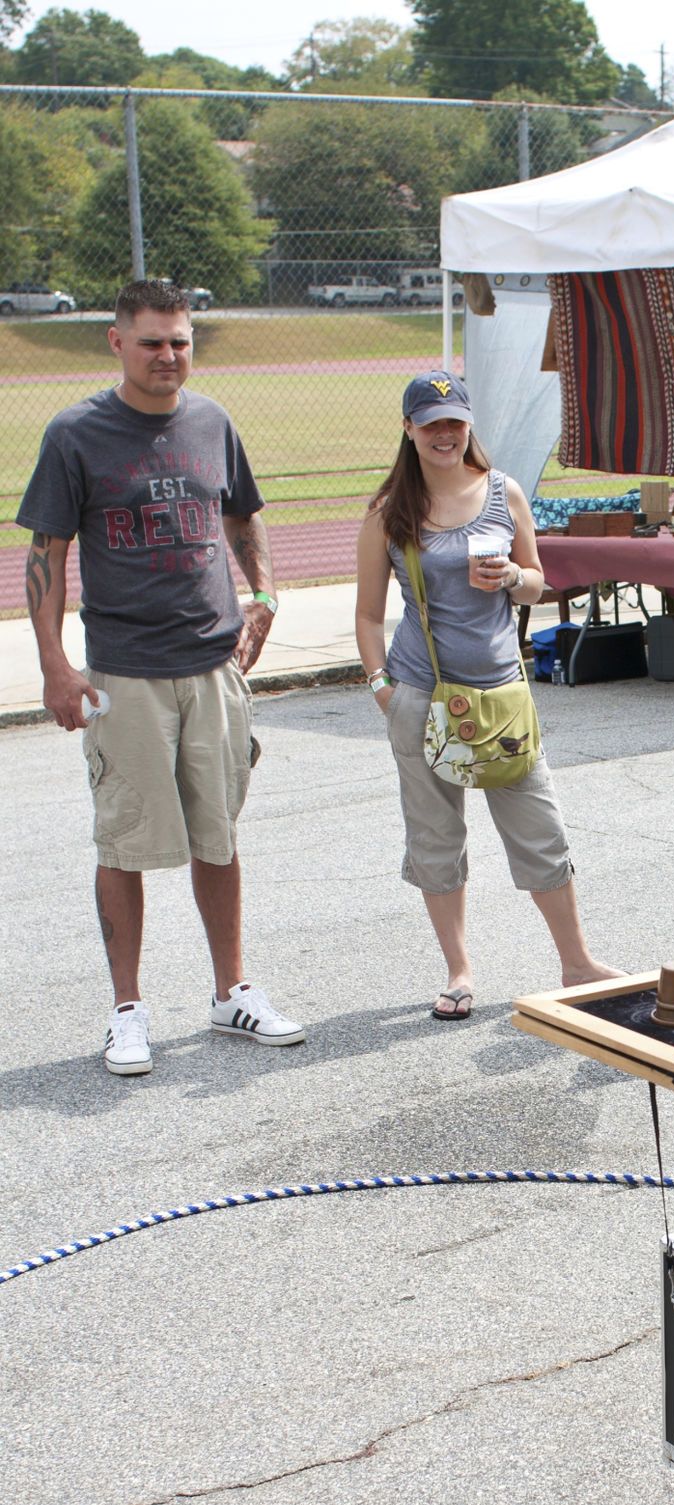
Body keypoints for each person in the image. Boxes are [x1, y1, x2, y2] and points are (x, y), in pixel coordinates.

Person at [18, 277, 303, 1078]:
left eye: (180, 341)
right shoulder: (76, 434)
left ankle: (231, 992)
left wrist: (264, 596)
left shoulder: (212, 422)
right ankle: (127, 1011)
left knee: (219, 835)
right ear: (117, 342)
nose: (167, 356)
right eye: (151, 342)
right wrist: (55, 666)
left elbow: (243, 514)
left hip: (213, 666)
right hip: (127, 673)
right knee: (124, 843)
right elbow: (45, 555)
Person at [355, 372, 615, 1018]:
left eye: (454, 422)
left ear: (469, 425)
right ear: (409, 429)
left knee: (540, 828)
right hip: (421, 692)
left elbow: (537, 583)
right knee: (435, 836)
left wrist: (511, 577)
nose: (444, 434)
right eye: (431, 423)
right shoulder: (390, 510)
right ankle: (459, 970)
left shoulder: (503, 492)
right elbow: (367, 614)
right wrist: (382, 686)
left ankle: (577, 962)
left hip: (500, 693)